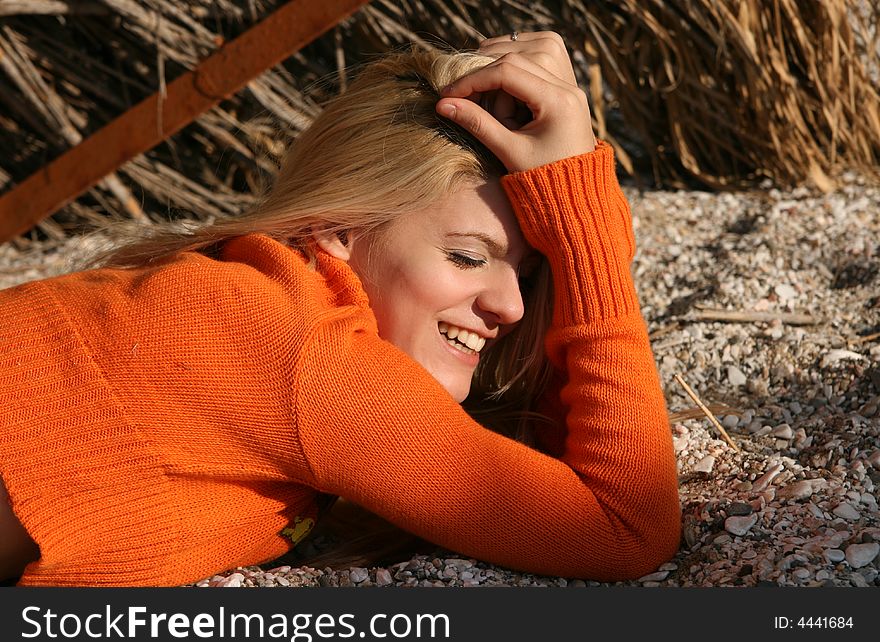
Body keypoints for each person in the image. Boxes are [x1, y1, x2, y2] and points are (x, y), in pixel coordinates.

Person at [0, 31, 681, 586]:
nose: (507, 304)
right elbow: (627, 525)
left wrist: (569, 228)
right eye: (468, 257)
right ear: (338, 229)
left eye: (528, 276)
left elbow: (566, 473)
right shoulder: (312, 356)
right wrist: (586, 224)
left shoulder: (259, 301)